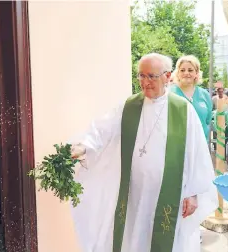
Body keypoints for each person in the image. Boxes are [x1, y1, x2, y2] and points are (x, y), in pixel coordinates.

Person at [69, 53, 218, 252]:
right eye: (141, 76)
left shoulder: (183, 110)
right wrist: (84, 146)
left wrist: (193, 193)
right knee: (134, 238)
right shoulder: (129, 106)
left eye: (151, 76)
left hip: (170, 194)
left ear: (166, 77)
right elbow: (102, 129)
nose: (145, 82)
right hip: (134, 193)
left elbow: (196, 152)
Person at [170, 55, 213, 142]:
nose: (186, 73)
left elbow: (208, 121)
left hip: (200, 146)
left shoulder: (205, 95)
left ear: (196, 73)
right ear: (177, 73)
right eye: (182, 70)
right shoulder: (169, 93)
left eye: (190, 70)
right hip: (177, 146)